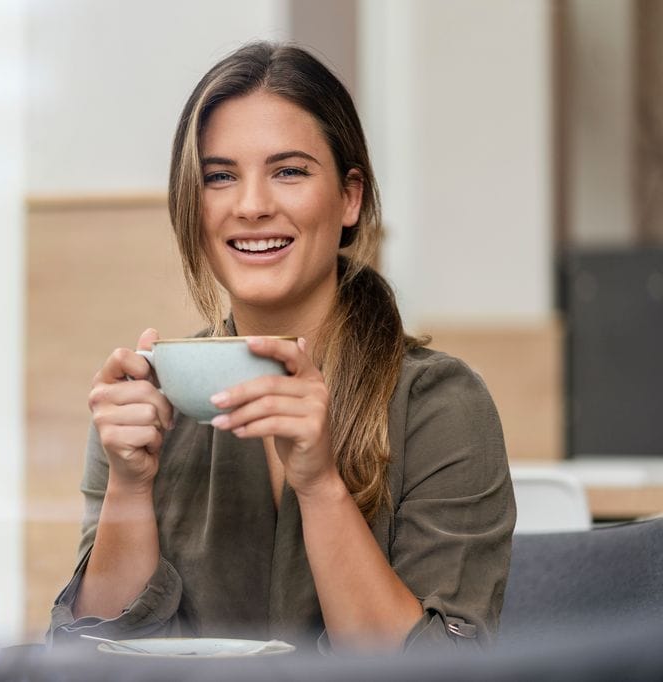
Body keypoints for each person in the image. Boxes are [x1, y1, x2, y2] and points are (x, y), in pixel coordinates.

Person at [48, 41, 516, 654]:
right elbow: (87, 659)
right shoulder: (146, 401)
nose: (252, 206)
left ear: (350, 198)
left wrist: (320, 485)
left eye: (289, 171)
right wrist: (130, 488)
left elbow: (443, 672)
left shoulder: (442, 406)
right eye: (220, 177)